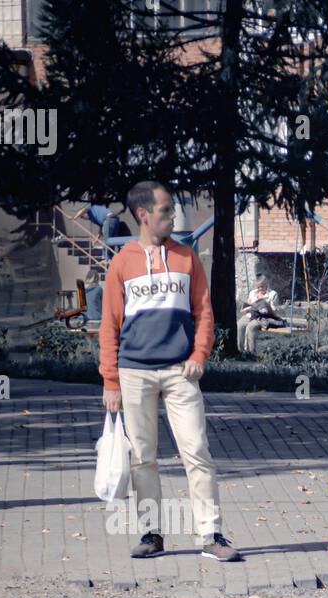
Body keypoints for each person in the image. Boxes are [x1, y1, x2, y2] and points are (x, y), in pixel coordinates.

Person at [99, 180, 239, 561]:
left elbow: (204, 311)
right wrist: (110, 380)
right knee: (142, 457)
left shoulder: (186, 257)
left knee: (196, 451)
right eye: (165, 210)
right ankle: (151, 534)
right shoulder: (122, 262)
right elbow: (109, 325)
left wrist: (199, 354)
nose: (172, 215)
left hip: (181, 371)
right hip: (133, 374)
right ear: (143, 215)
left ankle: (211, 536)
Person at [236, 275, 283, 354]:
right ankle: (240, 351)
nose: (260, 289)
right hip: (251, 314)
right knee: (239, 325)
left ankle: (251, 352)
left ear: (267, 285)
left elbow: (274, 312)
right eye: (258, 287)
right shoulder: (253, 293)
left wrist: (266, 305)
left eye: (262, 286)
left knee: (250, 327)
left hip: (264, 317)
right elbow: (246, 305)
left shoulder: (272, 294)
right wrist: (245, 308)